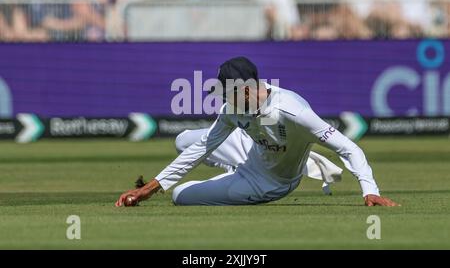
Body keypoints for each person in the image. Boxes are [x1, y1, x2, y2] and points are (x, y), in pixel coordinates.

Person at [116, 57, 399, 207]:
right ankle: (245, 166)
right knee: (183, 140)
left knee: (180, 195)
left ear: (247, 89)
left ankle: (302, 160)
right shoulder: (234, 106)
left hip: (270, 181)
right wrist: (150, 188)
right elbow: (202, 148)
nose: (223, 99)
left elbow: (349, 147)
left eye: (227, 92)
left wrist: (369, 191)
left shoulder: (293, 111)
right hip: (252, 148)